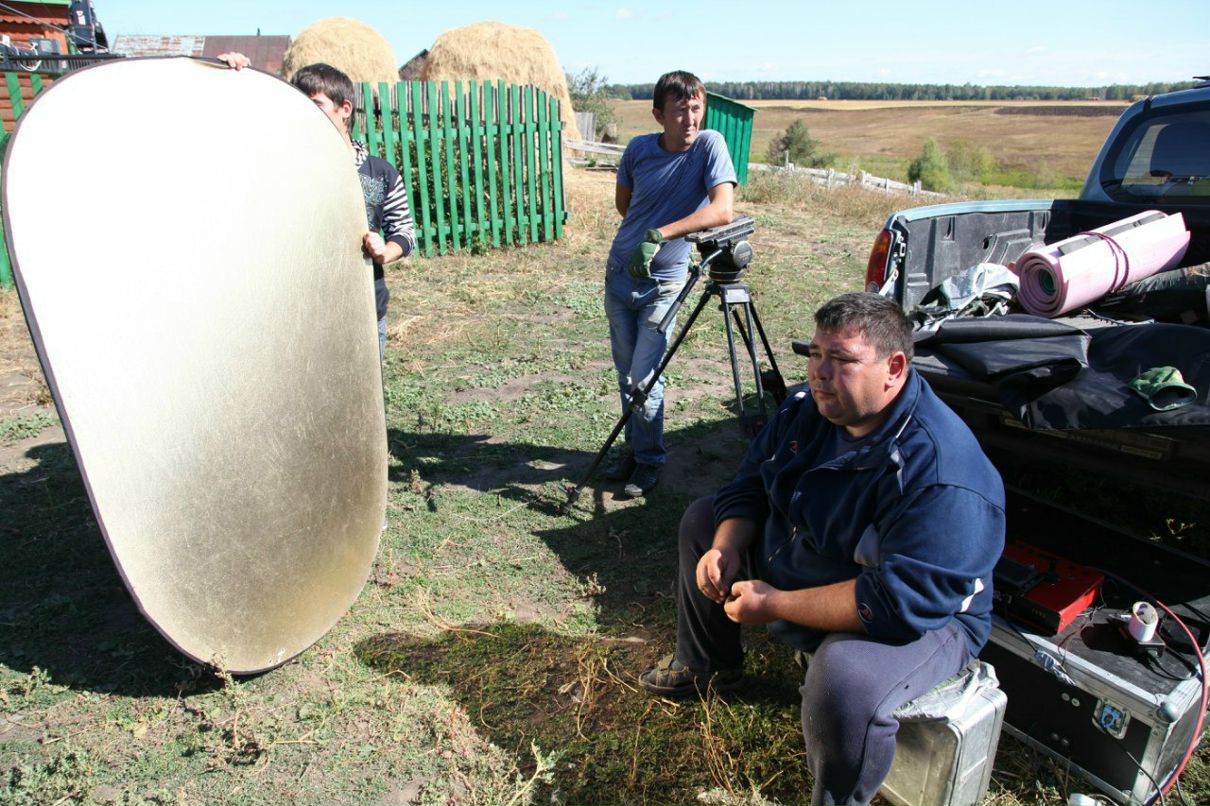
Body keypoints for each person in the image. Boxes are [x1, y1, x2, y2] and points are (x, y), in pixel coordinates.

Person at [638, 292, 1006, 806]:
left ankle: (838, 797)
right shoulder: (810, 407)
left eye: (841, 360)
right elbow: (747, 483)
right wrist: (724, 548)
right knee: (705, 521)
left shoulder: (941, 473)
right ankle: (708, 665)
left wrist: (774, 605)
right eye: (814, 354)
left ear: (894, 367)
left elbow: (901, 604)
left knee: (845, 678)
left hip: (930, 617)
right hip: (824, 558)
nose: (819, 373)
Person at [219, 53, 416, 362]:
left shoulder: (380, 173)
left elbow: (404, 232)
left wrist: (384, 251)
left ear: (344, 109)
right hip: (297, 316)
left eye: (316, 105)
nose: (305, 113)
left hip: (363, 314)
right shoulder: (284, 168)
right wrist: (230, 79)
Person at [602, 70, 737, 498]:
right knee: (626, 375)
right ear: (659, 114)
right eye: (680, 111)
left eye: (696, 108)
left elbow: (723, 211)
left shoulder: (710, 146)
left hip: (665, 283)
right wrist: (640, 234)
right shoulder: (639, 149)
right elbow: (625, 203)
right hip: (620, 274)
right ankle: (635, 448)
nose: (690, 119)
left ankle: (649, 460)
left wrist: (660, 233)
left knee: (645, 375)